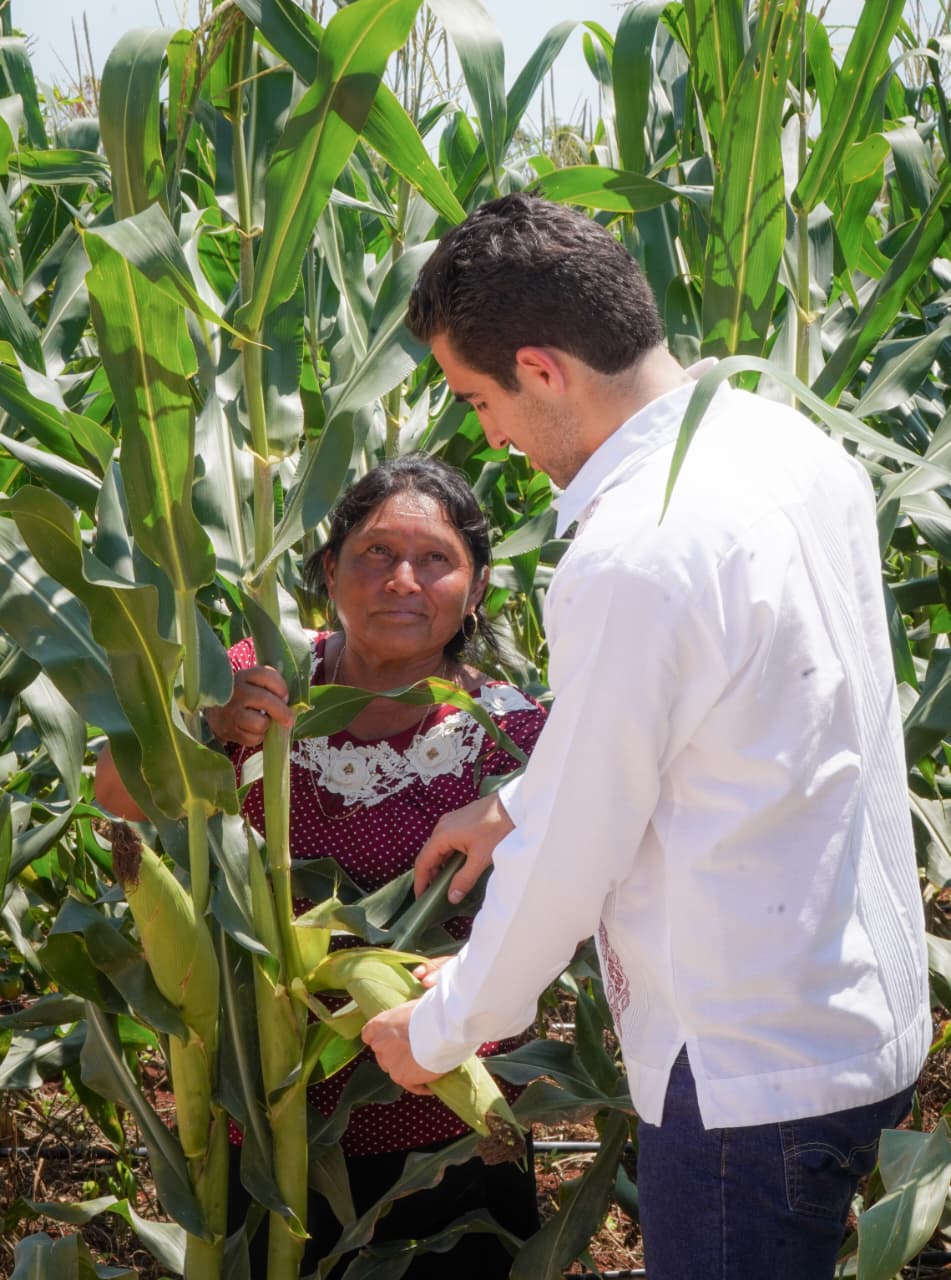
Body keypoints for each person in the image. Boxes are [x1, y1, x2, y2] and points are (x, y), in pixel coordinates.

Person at [360, 194, 932, 1279]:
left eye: (479, 399)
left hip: (742, 1076)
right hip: (852, 1017)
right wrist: (516, 800)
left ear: (541, 368)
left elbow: (573, 858)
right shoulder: (782, 439)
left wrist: (441, 1029)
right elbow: (745, 705)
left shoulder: (638, 549)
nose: (485, 434)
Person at [95, 455, 546, 1277]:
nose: (401, 580)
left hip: (434, 1126)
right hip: (250, 1108)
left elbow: (580, 899)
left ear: (477, 587)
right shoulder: (254, 674)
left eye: (435, 559)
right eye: (374, 553)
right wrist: (208, 723)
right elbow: (117, 791)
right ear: (328, 569)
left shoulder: (521, 736)